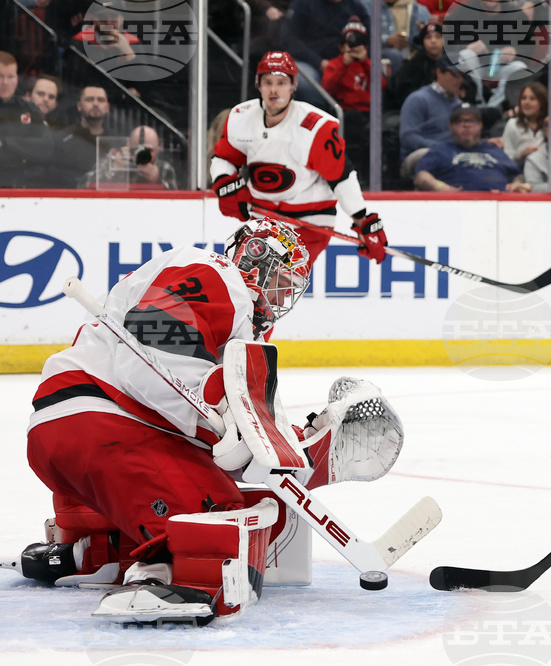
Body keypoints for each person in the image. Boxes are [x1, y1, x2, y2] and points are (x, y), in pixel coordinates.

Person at [16, 218, 404, 624]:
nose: (282, 295)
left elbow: (206, 412)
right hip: (104, 426)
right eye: (281, 281)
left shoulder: (236, 322)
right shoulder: (218, 276)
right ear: (254, 261)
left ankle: (91, 551)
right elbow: (146, 363)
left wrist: (290, 440)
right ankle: (162, 576)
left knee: (210, 482)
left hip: (69, 435)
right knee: (220, 515)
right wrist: (224, 427)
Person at [211, 51, 386, 272]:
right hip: (263, 218)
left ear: (293, 86)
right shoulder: (241, 117)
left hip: (309, 223)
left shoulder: (315, 127)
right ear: (258, 85)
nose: (274, 90)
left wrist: (363, 220)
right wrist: (225, 183)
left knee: (276, 280)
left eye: (281, 83)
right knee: (244, 277)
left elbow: (341, 176)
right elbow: (224, 158)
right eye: (268, 82)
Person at [320, 17, 387, 187]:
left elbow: (382, 85)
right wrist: (344, 65)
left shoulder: (370, 65)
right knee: (354, 125)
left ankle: (373, 176)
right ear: (341, 47)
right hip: (345, 114)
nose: (354, 47)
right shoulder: (335, 64)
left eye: (359, 43)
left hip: (370, 114)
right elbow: (327, 89)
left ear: (366, 47)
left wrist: (365, 63)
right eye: (349, 43)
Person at [414, 103, 530, 192]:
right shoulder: (440, 150)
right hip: (456, 205)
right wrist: (440, 187)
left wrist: (516, 184)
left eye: (472, 121)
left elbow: (517, 175)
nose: (466, 125)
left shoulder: (494, 150)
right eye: (460, 121)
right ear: (451, 126)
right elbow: (421, 176)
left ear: (480, 125)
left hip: (500, 204)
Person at [284, 0, 371, 109]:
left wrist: (363, 56)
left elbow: (371, 38)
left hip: (349, 60)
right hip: (313, 63)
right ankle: (320, 113)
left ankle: (375, 113)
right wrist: (319, 63)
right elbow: (290, 40)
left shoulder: (356, 6)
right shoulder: (303, 4)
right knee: (304, 81)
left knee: (387, 59)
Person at [398, 55, 465, 180]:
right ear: (439, 72)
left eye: (461, 75)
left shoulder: (460, 105)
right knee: (440, 157)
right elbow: (408, 137)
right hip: (421, 153)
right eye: (455, 74)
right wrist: (440, 147)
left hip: (452, 154)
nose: (459, 80)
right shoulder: (418, 99)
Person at [0, 51, 53, 188]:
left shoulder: (29, 109)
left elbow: (46, 147)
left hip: (23, 186)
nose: (5, 82)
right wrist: (23, 153)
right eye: (0, 76)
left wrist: (5, 142)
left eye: (10, 77)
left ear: (17, 79)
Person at [47, 85, 112, 189]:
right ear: (79, 106)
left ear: (107, 107)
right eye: (89, 99)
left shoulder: (117, 141)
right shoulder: (62, 138)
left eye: (100, 100)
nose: (95, 104)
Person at [83, 125, 178, 190]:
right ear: (128, 145)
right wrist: (113, 169)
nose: (142, 155)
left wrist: (157, 180)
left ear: (158, 149)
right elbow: (83, 186)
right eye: (136, 149)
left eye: (148, 150)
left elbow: (176, 200)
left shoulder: (163, 168)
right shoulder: (113, 162)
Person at [501, 81, 547, 168]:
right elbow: (504, 155)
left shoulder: (550, 125)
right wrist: (521, 154)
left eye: (532, 99)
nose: (526, 102)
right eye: (523, 98)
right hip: (518, 168)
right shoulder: (512, 124)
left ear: (542, 102)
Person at [379, 0, 430, 76]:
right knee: (394, 55)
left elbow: (431, 34)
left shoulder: (420, 11)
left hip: (412, 51)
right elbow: (367, 35)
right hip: (383, 51)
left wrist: (423, 34)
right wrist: (387, 40)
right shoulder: (372, 6)